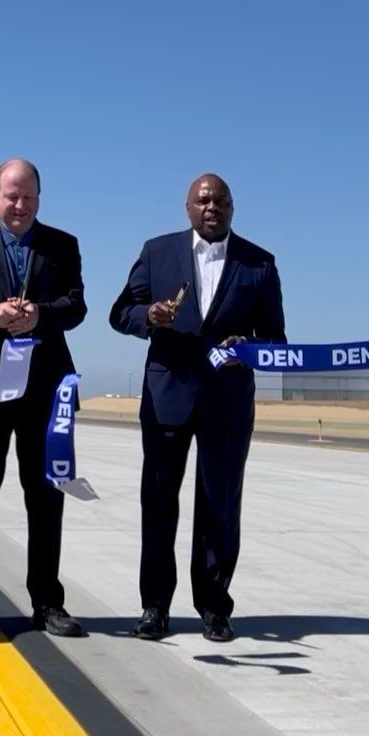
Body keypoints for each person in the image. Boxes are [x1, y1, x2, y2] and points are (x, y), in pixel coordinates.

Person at [109, 173, 285, 642]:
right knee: (159, 502)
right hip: (167, 398)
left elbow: (276, 339)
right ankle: (154, 607)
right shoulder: (156, 251)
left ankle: (213, 607)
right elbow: (120, 312)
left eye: (221, 201)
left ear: (232, 208)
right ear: (187, 207)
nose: (212, 207)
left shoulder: (259, 264)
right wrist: (149, 315)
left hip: (227, 403)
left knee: (220, 505)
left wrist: (247, 345)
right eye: (203, 200)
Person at [0, 159, 88, 639]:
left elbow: (76, 305)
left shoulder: (62, 244)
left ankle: (47, 602)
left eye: (27, 196)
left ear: (39, 198)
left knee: (46, 498)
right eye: (11, 195)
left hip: (45, 389)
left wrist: (39, 316)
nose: (19, 205)